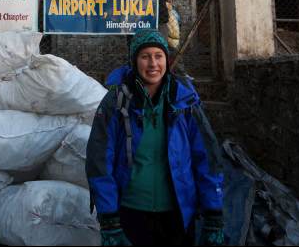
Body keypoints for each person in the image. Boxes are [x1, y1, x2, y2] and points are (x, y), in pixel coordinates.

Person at [86, 29, 224, 246]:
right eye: (145, 56)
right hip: (131, 213)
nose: (153, 64)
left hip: (178, 213)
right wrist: (109, 219)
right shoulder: (117, 102)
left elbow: (206, 157)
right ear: (134, 61)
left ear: (167, 60)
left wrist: (214, 213)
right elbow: (100, 160)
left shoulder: (185, 101)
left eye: (158, 56)